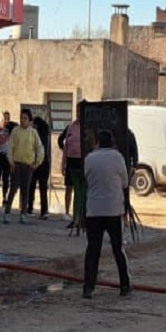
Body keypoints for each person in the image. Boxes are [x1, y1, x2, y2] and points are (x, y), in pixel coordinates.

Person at [81, 129, 133, 300]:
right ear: (111, 143)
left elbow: (86, 180)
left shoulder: (89, 159)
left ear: (97, 142)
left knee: (93, 249)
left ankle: (88, 287)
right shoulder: (118, 158)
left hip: (94, 210)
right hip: (113, 210)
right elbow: (125, 182)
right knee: (118, 249)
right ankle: (124, 285)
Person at [4, 108, 43, 223]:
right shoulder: (15, 131)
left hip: (28, 165)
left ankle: (23, 214)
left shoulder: (33, 133)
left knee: (25, 191)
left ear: (29, 120)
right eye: (21, 118)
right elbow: (10, 147)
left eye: (25, 118)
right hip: (16, 165)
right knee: (13, 189)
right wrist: (11, 162)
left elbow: (39, 148)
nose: (23, 120)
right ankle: (7, 213)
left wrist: (37, 163)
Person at [59, 104, 89, 234]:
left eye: (80, 110)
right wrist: (63, 163)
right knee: (75, 190)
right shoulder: (71, 127)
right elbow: (65, 146)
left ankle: (83, 218)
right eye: (77, 110)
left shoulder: (88, 127)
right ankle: (75, 218)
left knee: (83, 192)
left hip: (84, 162)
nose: (78, 113)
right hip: (71, 162)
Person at [31, 110, 54, 218]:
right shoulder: (45, 134)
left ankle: (30, 207)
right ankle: (44, 210)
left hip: (36, 162)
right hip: (45, 163)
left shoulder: (35, 135)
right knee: (43, 188)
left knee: (31, 186)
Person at [0, 112, 14, 207]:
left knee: (6, 178)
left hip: (7, 156)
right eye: (4, 118)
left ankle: (4, 198)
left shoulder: (11, 131)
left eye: (7, 118)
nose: (6, 120)